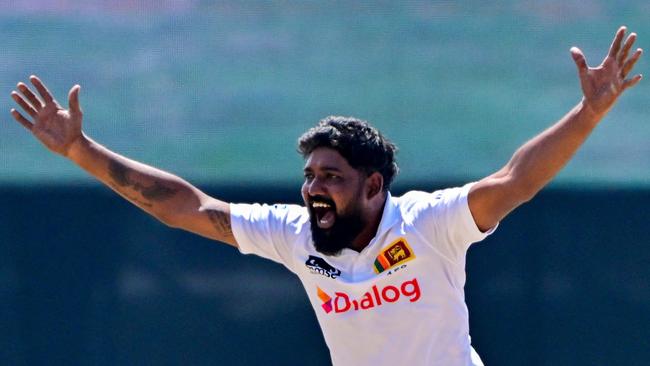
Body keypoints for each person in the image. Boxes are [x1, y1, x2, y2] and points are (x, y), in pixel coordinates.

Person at [9, 27, 643, 365]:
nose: (313, 188)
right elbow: (188, 209)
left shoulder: (427, 224)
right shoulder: (296, 234)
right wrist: (79, 152)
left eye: (330, 176)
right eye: (309, 175)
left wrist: (587, 115)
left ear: (373, 185)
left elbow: (516, 181)